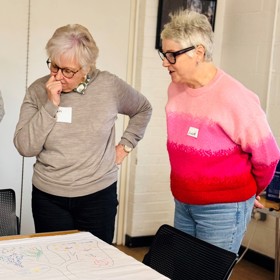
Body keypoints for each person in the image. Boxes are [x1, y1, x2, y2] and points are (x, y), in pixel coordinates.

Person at [14, 24, 152, 244]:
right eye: (54, 66)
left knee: (96, 267)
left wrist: (124, 146)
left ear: (87, 67)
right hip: (49, 197)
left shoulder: (109, 85)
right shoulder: (38, 90)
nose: (58, 76)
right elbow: (25, 147)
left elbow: (143, 109)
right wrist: (50, 105)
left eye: (68, 70)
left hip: (98, 196)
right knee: (55, 265)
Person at [158, 9, 280, 254]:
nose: (165, 62)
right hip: (183, 202)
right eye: (164, 54)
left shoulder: (235, 97)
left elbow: (269, 156)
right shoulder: (176, 89)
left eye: (171, 55)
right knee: (182, 270)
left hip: (222, 209)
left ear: (198, 53)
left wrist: (249, 193)